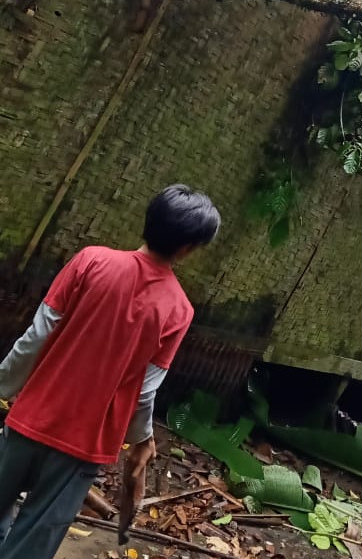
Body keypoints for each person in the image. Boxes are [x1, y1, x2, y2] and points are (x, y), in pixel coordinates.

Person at [0, 184, 220, 559]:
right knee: (33, 543)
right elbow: (145, 391)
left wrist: (4, 383)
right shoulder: (179, 309)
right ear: (187, 248)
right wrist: (141, 438)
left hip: (30, 419)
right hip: (85, 445)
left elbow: (37, 335)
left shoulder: (90, 261)